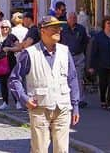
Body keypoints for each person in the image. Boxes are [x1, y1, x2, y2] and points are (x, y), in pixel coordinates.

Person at [9, 16, 80, 153]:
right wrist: (24, 99)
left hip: (62, 107)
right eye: (54, 28)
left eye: (59, 27)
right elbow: (14, 79)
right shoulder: (30, 53)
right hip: (39, 109)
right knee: (39, 149)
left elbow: (72, 78)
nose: (58, 30)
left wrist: (75, 105)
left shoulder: (65, 51)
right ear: (43, 31)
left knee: (62, 150)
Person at [86, 15, 110, 112]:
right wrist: (91, 66)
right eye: (108, 23)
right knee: (103, 84)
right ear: (104, 24)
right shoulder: (99, 37)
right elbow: (94, 52)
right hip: (102, 64)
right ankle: (103, 100)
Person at [61, 12, 90, 108]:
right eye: (71, 18)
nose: (73, 19)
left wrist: (82, 51)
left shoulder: (81, 29)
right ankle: (67, 99)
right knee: (66, 78)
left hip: (78, 56)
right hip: (66, 56)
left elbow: (85, 42)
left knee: (79, 77)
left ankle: (80, 99)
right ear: (68, 19)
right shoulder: (63, 29)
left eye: (75, 18)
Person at [0, 20, 19, 110]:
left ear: (9, 28)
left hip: (10, 61)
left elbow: (18, 47)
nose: (5, 29)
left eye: (7, 27)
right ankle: (5, 102)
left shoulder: (12, 37)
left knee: (13, 82)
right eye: (3, 27)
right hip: (0, 62)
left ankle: (17, 102)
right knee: (3, 82)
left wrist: (10, 49)